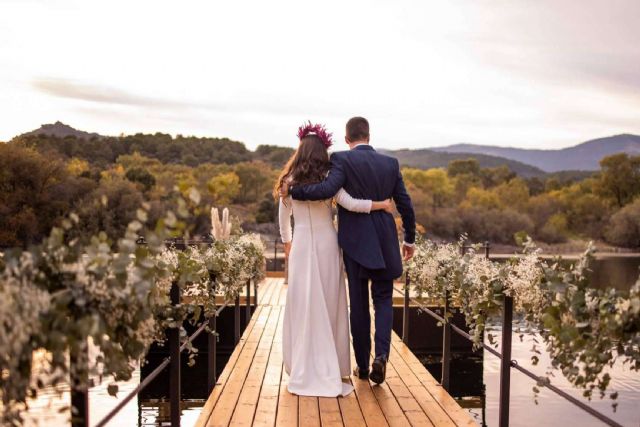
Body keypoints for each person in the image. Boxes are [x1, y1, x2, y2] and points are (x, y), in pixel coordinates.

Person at [281, 117, 416, 385]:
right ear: (369, 134)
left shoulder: (341, 160)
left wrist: (293, 192)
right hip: (386, 242)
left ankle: (363, 366)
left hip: (355, 244)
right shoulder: (391, 164)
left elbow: (330, 191)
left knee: (358, 305)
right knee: (384, 300)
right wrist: (409, 240)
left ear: (346, 139)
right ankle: (382, 356)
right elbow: (405, 205)